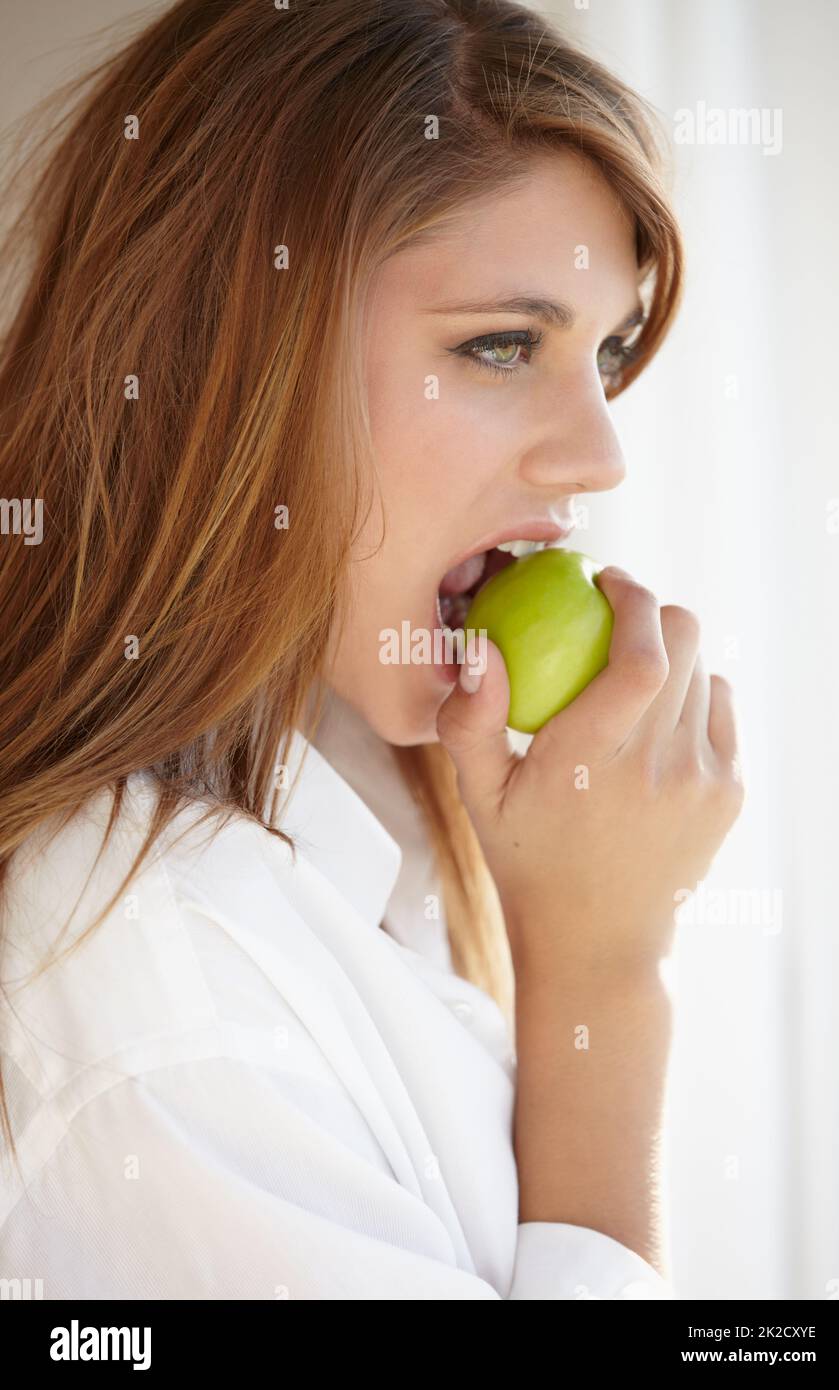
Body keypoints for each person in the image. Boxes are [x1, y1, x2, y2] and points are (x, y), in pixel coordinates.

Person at [0, 0, 743, 1299]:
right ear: (213, 366)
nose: (600, 453)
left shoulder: (374, 837)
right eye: (500, 344)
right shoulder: (151, 978)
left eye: (606, 350)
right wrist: (607, 975)